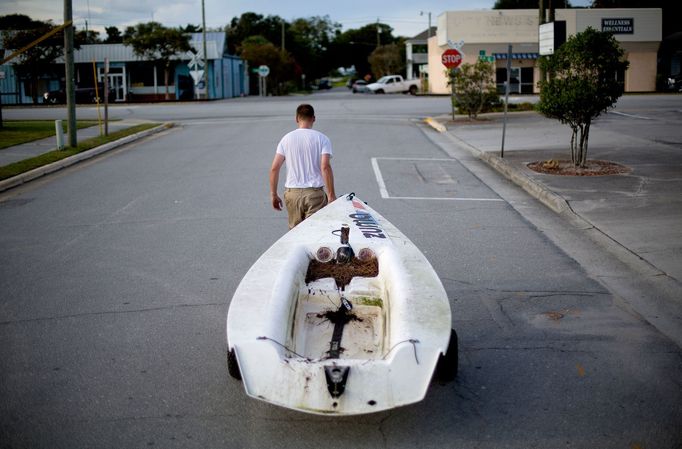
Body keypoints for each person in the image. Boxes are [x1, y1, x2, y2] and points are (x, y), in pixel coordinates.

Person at [269, 104, 337, 229]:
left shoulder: (286, 139)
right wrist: (331, 195)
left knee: (295, 235)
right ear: (314, 118)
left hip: (292, 194)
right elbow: (325, 167)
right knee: (315, 234)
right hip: (314, 195)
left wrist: (273, 194)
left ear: (296, 119)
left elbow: (274, 168)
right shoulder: (322, 139)